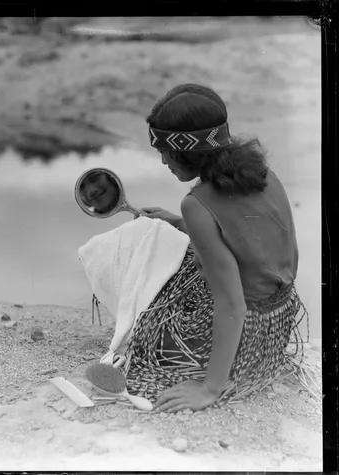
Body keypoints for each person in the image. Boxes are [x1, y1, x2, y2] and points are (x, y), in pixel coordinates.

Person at [122, 83, 307, 412]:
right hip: (277, 320)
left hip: (248, 329)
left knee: (148, 337)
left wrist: (210, 388)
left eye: (167, 151)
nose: (164, 160)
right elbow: (250, 237)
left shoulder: (197, 204)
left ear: (190, 151)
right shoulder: (263, 173)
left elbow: (232, 303)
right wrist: (181, 222)